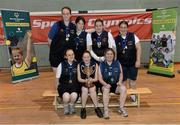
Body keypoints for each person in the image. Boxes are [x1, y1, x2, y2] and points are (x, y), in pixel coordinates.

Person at [87, 18, 116, 93]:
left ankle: (104, 91)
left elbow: (110, 48)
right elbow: (89, 49)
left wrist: (104, 57)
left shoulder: (108, 34)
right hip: (94, 59)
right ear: (94, 27)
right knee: (95, 76)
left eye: (100, 26)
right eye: (96, 26)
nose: (98, 27)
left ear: (103, 26)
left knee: (104, 75)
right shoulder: (90, 35)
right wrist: (96, 58)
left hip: (105, 59)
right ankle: (96, 91)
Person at [115, 21, 141, 102]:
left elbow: (139, 48)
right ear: (119, 28)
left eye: (125, 27)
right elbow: (114, 52)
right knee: (123, 82)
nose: (123, 29)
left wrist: (138, 60)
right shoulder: (115, 39)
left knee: (132, 81)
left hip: (132, 63)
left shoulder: (133, 36)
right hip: (121, 64)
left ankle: (133, 97)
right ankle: (123, 98)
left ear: (127, 28)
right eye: (121, 27)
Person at [99, 48, 127, 119]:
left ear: (113, 55)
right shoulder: (101, 64)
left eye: (111, 54)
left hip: (116, 84)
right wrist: (105, 84)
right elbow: (100, 78)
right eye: (108, 54)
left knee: (123, 88)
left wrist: (120, 81)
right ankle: (105, 110)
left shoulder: (117, 63)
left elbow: (121, 74)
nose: (109, 55)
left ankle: (121, 108)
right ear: (105, 55)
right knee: (105, 90)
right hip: (105, 84)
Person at [48, 6, 76, 76]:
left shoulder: (73, 26)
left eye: (67, 13)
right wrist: (54, 51)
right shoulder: (56, 25)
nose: (66, 15)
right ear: (62, 15)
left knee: (67, 78)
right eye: (64, 14)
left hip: (67, 58)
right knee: (57, 78)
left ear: (70, 15)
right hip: (56, 57)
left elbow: (84, 31)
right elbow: (49, 40)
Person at [77, 51, 103, 119]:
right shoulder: (79, 65)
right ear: (82, 58)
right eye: (84, 57)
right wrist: (85, 80)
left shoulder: (95, 64)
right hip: (83, 83)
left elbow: (96, 78)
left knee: (92, 89)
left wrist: (91, 80)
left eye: (88, 57)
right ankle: (83, 108)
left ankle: (96, 107)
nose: (86, 58)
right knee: (84, 89)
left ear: (90, 57)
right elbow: (79, 79)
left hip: (93, 82)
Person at [56, 49, 80, 115]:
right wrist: (57, 88)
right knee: (66, 97)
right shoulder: (61, 65)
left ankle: (72, 105)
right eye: (69, 55)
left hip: (74, 86)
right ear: (66, 56)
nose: (71, 56)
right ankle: (66, 106)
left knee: (74, 96)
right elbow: (57, 78)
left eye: (72, 54)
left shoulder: (77, 64)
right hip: (64, 86)